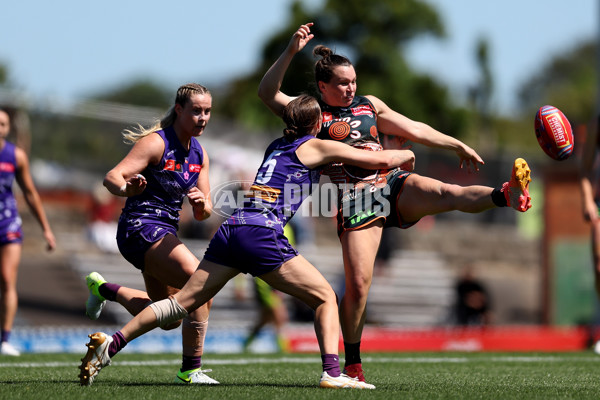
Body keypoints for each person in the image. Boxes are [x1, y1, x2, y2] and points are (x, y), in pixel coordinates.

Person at [257, 22, 532, 383]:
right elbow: (266, 92)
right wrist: (291, 50)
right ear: (323, 86)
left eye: (353, 80)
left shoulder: (369, 104)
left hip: (392, 182)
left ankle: (505, 194)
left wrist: (456, 144)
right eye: (342, 83)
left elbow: (413, 128)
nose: (351, 87)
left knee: (445, 193)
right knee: (358, 284)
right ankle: (352, 363)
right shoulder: (310, 114)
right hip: (356, 202)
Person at [78, 95, 415, 389]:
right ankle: (331, 372)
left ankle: (112, 343)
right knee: (326, 296)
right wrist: (405, 155)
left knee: (183, 303)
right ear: (316, 123)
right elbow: (381, 161)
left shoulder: (277, 145)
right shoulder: (315, 145)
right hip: (262, 233)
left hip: (233, 228)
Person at [83, 83, 218, 384]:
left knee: (171, 319)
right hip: (139, 228)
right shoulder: (157, 142)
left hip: (162, 234)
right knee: (202, 284)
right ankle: (190, 370)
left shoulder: (199, 154)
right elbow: (112, 178)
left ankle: (103, 289)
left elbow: (204, 212)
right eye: (196, 111)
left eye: (207, 111)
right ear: (179, 109)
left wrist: (201, 205)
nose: (203, 117)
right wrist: (126, 189)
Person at [0, 107, 56, 356]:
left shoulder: (16, 156)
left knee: (6, 279)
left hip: (8, 222)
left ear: (8, 128)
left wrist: (46, 229)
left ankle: (5, 339)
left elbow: (31, 193)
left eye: (2, 124)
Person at [579, 115, 600, 352]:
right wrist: (587, 200)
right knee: (599, 266)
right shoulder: (597, 124)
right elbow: (585, 169)